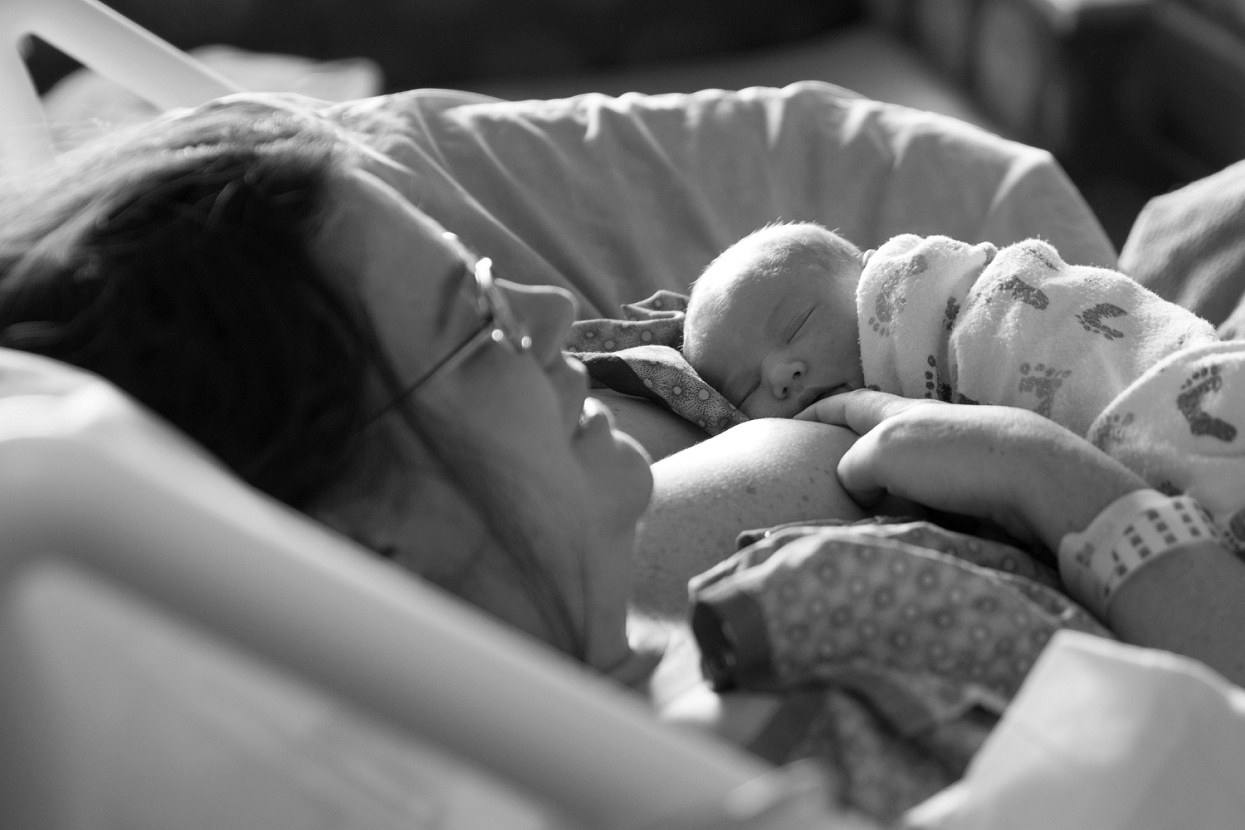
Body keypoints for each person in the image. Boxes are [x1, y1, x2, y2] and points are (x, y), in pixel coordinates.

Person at [2, 96, 1244, 824]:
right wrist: (1065, 487)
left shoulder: (590, 493)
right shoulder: (709, 752)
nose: (548, 308)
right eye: (477, 325)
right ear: (358, 534)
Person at [681, 221, 1245, 549]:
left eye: (796, 325)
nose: (782, 375)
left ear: (867, 278)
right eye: (746, 385)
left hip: (1179, 378)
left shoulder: (946, 302)